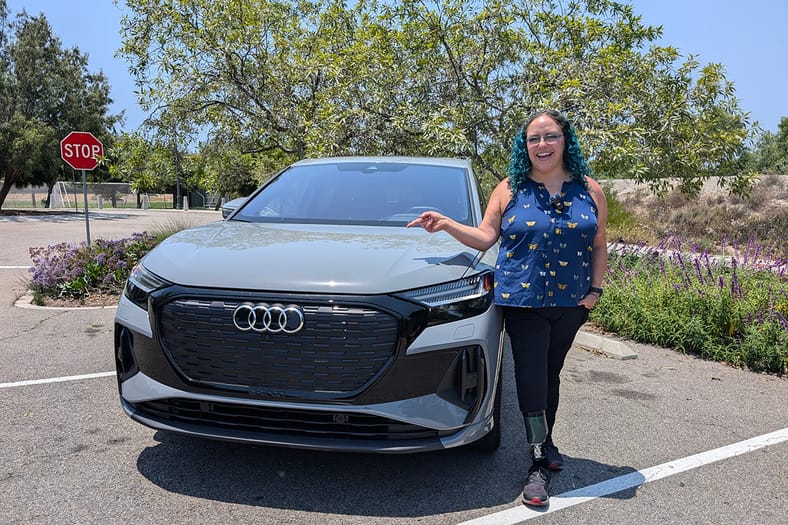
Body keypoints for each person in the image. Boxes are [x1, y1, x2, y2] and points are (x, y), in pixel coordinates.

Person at [407, 110, 608, 507]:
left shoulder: (590, 190)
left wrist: (595, 291)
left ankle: (546, 442)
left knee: (551, 376)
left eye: (549, 137)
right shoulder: (511, 188)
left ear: (565, 140)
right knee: (532, 379)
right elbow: (485, 237)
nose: (542, 146)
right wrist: (446, 224)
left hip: (571, 304)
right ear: (525, 146)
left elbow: (599, 242)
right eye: (533, 139)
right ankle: (536, 462)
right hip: (523, 302)